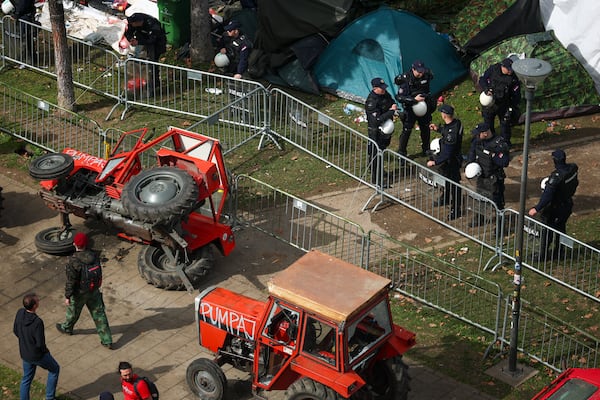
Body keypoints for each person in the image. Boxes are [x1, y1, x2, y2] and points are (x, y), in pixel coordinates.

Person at [56, 232, 113, 349]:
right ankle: (107, 340)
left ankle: (67, 328)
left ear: (75, 244)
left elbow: (71, 281)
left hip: (79, 293)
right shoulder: (94, 255)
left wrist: (68, 296)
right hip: (94, 290)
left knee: (73, 312)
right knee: (100, 315)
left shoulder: (73, 261)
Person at [528, 149, 578, 258]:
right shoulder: (572, 169)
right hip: (567, 203)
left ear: (555, 161)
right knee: (561, 228)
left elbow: (547, 196)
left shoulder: (556, 178)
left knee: (547, 231)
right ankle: (559, 252)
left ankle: (543, 254)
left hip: (556, 207)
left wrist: (537, 208)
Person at [13, 293, 60, 400]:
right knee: (55, 369)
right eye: (37, 300)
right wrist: (45, 351)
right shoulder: (37, 322)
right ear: (34, 306)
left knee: (26, 379)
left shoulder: (20, 313)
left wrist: (25, 341)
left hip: (25, 353)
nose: (39, 301)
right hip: (37, 355)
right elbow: (40, 344)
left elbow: (15, 330)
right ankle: (49, 397)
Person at [466, 122, 510, 226]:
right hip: (481, 176)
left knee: (497, 202)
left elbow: (504, 162)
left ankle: (500, 224)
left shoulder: (499, 144)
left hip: (494, 178)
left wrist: (492, 155)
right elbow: (472, 153)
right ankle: (479, 218)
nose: (477, 136)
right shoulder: (478, 141)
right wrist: (470, 166)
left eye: (479, 134)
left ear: (485, 133)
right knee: (480, 198)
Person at [427, 104, 464, 220]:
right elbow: (447, 130)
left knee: (454, 185)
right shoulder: (456, 123)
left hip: (452, 162)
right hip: (449, 161)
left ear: (444, 115)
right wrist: (438, 129)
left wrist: (435, 162)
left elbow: (448, 152)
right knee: (447, 181)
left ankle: (456, 209)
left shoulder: (451, 134)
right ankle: (446, 198)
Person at [394, 59, 435, 157]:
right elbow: (399, 97)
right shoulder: (406, 79)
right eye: (418, 71)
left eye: (422, 71)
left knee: (425, 128)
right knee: (407, 130)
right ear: (413, 69)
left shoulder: (427, 75)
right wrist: (413, 100)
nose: (421, 73)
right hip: (410, 109)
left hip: (424, 107)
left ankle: (426, 149)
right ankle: (402, 152)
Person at [478, 58, 521, 146]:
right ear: (503, 67)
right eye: (508, 69)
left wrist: (511, 107)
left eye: (511, 69)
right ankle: (490, 144)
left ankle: (505, 145)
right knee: (488, 125)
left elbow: (516, 94)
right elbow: (482, 79)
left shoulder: (513, 79)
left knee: (505, 126)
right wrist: (486, 89)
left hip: (504, 104)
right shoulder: (493, 69)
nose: (510, 71)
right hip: (490, 103)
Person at [365, 77, 399, 188]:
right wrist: (390, 112)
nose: (384, 90)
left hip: (385, 129)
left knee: (382, 151)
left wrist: (393, 107)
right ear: (375, 88)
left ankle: (381, 171)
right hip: (375, 132)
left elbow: (391, 101)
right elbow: (376, 120)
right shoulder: (371, 102)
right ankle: (376, 180)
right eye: (381, 88)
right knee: (375, 155)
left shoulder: (385, 94)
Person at [125, 13, 167, 93]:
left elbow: (152, 39)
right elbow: (128, 32)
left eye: (134, 24)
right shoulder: (133, 23)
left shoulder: (152, 24)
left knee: (152, 64)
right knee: (141, 63)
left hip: (156, 44)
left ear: (139, 22)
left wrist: (139, 42)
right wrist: (131, 39)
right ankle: (142, 81)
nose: (132, 25)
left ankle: (153, 83)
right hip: (141, 43)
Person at [12, 0, 37, 65]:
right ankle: (28, 58)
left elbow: (22, 6)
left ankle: (27, 60)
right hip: (24, 16)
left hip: (24, 18)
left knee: (25, 39)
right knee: (26, 38)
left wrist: (16, 15)